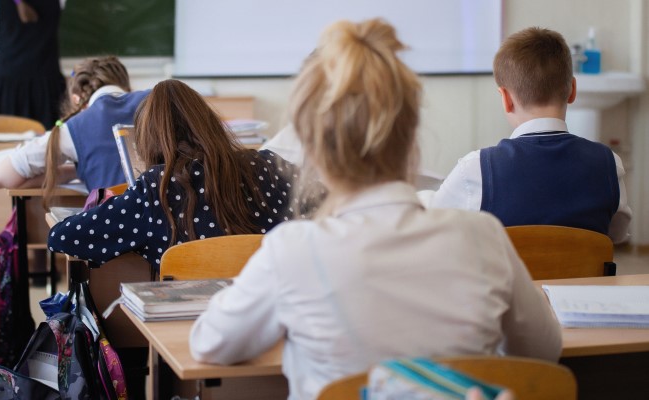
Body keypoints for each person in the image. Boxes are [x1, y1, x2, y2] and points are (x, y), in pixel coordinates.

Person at [189, 19, 562, 400]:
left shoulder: (292, 251)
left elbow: (209, 343)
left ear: (313, 146)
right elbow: (544, 352)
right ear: (410, 134)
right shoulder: (483, 237)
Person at [47, 79, 296, 272]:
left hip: (188, 323)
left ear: (148, 141)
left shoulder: (156, 188)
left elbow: (61, 237)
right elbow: (323, 203)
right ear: (209, 123)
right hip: (278, 309)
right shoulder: (267, 165)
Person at [425, 27, 632, 243]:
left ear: (505, 98)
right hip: (582, 278)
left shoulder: (477, 169)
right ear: (572, 90)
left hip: (508, 278)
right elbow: (615, 235)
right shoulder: (609, 165)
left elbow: (431, 226)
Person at [0, 56, 149, 200]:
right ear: (128, 88)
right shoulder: (155, 101)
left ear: (76, 99)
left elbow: (0, 178)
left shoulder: (76, 127)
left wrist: (70, 172)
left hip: (120, 228)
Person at [0, 0, 67, 129]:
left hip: (7, 93)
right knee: (51, 146)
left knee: (2, 146)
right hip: (49, 92)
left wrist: (9, 56)